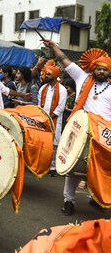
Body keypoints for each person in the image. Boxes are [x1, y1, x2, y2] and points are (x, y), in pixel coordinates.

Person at [43, 40, 111, 216]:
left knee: (101, 168)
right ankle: (68, 201)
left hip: (102, 136)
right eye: (99, 68)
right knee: (72, 166)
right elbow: (65, 60)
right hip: (80, 131)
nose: (101, 72)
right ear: (93, 69)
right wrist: (53, 47)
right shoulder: (82, 78)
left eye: (105, 69)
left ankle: (98, 199)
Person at [37, 60, 67, 177]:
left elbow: (61, 107)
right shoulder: (43, 88)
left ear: (54, 76)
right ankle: (44, 165)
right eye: (46, 74)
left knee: (54, 144)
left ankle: (53, 167)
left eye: (48, 74)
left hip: (55, 120)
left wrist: (50, 117)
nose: (45, 76)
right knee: (43, 142)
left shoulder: (62, 90)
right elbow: (40, 105)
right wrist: (42, 117)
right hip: (43, 119)